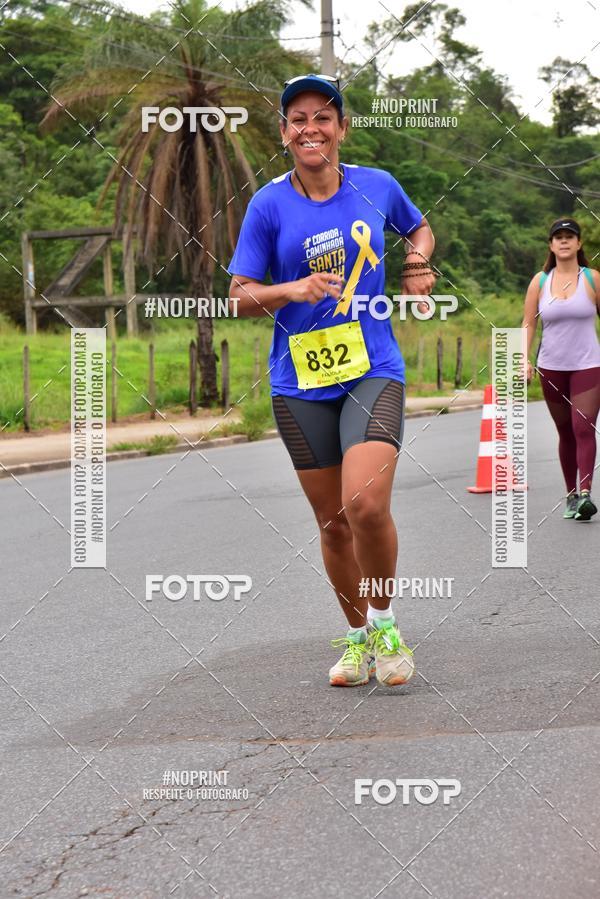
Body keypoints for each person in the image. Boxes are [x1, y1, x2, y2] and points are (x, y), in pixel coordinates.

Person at [228, 74, 435, 687]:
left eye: (323, 116)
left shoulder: (378, 187)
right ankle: (355, 639)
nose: (310, 127)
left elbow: (417, 227)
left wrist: (417, 261)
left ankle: (385, 621)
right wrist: (288, 289)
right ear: (284, 134)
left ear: (341, 128)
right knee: (332, 522)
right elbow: (238, 296)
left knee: (365, 504)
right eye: (297, 118)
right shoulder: (269, 204)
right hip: (298, 381)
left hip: (372, 367)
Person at [522, 217, 600, 520]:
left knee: (583, 426)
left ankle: (585, 494)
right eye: (558, 237)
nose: (564, 241)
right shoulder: (540, 282)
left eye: (570, 236)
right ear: (551, 245)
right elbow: (529, 322)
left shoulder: (592, 279)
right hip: (552, 367)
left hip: (588, 365)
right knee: (565, 431)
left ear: (579, 244)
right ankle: (570, 495)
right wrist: (523, 358)